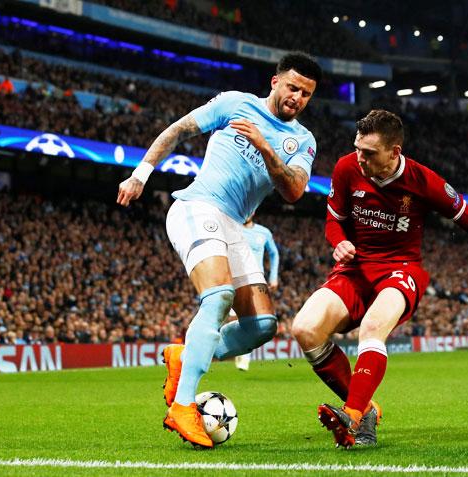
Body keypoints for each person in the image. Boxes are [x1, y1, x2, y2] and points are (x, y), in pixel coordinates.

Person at [291, 109, 468, 449]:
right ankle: (364, 409)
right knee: (304, 329)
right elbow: (333, 221)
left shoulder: (424, 181)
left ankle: (351, 415)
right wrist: (339, 242)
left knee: (372, 328)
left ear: (394, 152)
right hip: (354, 268)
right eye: (357, 149)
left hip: (401, 269)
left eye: (369, 153)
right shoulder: (346, 167)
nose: (359, 158)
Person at [117, 52, 321, 448]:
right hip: (198, 207)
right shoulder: (234, 103)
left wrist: (264, 146)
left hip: (236, 227)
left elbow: (294, 190)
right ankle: (181, 407)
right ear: (275, 82)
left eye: (307, 94)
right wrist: (141, 173)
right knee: (218, 296)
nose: (297, 97)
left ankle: (185, 357)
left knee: (262, 326)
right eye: (293, 87)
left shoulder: (304, 141)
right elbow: (178, 130)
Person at [234, 214, 280, 371]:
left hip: (256, 278)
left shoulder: (264, 232)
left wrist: (273, 276)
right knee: (234, 317)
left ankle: (245, 355)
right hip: (236, 276)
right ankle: (239, 348)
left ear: (253, 212)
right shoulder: (233, 228)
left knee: (255, 319)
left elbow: (274, 253)